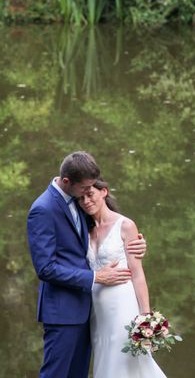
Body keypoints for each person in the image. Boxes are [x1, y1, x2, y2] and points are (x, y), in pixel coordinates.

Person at [26, 151, 147, 378]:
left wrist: (137, 245)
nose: (87, 196)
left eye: (92, 189)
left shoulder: (78, 203)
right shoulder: (43, 209)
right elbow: (45, 268)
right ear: (66, 182)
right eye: (84, 189)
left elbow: (106, 235)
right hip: (62, 312)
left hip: (90, 311)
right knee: (56, 374)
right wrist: (96, 277)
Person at [80, 178, 167, 378]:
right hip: (98, 312)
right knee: (105, 360)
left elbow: (137, 274)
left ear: (104, 192)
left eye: (90, 194)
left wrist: (146, 317)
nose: (86, 201)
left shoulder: (126, 225)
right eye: (81, 198)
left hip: (122, 306)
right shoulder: (84, 230)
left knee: (126, 361)